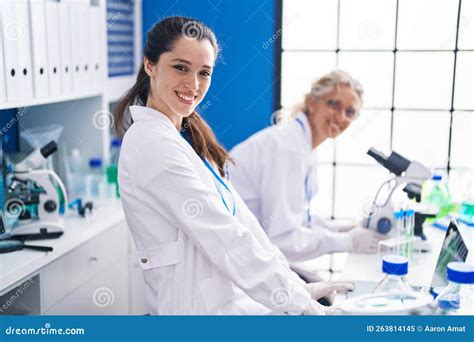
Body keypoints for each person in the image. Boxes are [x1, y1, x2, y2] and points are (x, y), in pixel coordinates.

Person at [115, 17, 350, 315]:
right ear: (150, 65)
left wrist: (293, 285)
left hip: (231, 303)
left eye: (204, 72)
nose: (194, 84)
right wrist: (296, 301)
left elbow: (244, 224)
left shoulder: (182, 140)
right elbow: (222, 235)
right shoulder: (152, 144)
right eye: (180, 67)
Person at [229, 70, 385, 282]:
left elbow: (299, 219)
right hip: (238, 265)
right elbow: (282, 239)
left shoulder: (302, 144)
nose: (340, 117)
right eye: (333, 104)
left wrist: (341, 228)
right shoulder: (288, 148)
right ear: (312, 103)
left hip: (254, 255)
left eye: (349, 112)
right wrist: (347, 241)